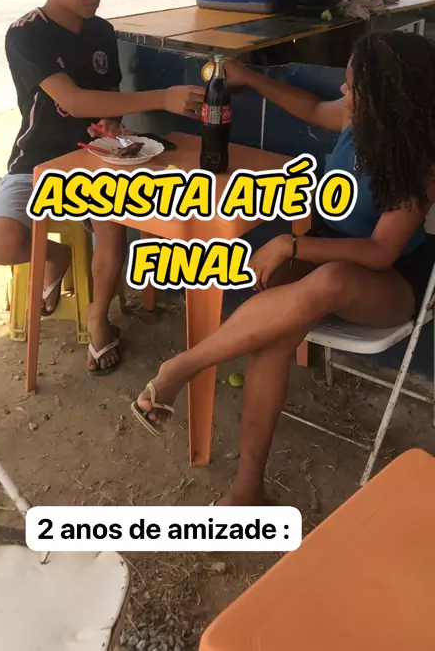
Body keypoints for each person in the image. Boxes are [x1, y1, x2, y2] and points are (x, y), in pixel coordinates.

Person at [132, 31, 435, 504]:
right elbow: (311, 109)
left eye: (353, 86)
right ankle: (247, 489)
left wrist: (291, 244)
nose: (343, 92)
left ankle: (183, 365)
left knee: (330, 279)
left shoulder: (421, 162)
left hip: (392, 281)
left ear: (386, 99)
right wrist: (250, 77)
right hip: (327, 252)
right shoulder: (356, 117)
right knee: (275, 330)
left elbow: (380, 252)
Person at [0, 0, 205, 377]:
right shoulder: (26, 34)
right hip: (39, 160)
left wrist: (113, 124)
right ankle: (57, 256)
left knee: (114, 227)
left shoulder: (101, 32)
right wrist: (162, 98)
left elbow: (106, 99)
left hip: (99, 158)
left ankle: (98, 316)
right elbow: (75, 100)